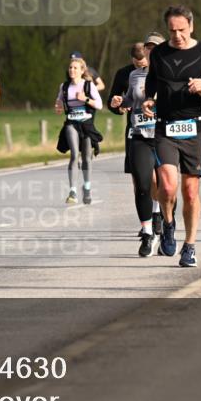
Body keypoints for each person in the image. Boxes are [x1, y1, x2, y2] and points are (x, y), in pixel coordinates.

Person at [142, 5, 201, 267]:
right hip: (165, 127)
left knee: (190, 192)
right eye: (172, 31)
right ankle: (168, 223)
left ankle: (189, 246)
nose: (177, 35)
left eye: (181, 30)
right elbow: (152, 83)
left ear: (191, 26)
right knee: (167, 187)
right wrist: (148, 99)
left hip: (193, 128)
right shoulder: (159, 54)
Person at [110, 43, 160, 255]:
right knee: (141, 182)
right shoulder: (129, 75)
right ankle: (147, 232)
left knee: (163, 185)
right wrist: (118, 102)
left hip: (162, 136)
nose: (143, 61)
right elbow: (125, 99)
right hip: (138, 133)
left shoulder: (167, 73)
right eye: (139, 60)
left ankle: (163, 220)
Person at [55, 56, 104, 205]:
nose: (72, 70)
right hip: (71, 123)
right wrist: (58, 107)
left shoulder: (88, 86)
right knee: (74, 155)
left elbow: (100, 105)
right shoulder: (64, 87)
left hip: (86, 125)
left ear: (82, 71)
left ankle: (87, 187)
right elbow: (59, 103)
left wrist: (85, 99)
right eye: (70, 67)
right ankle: (73, 191)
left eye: (75, 68)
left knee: (87, 158)